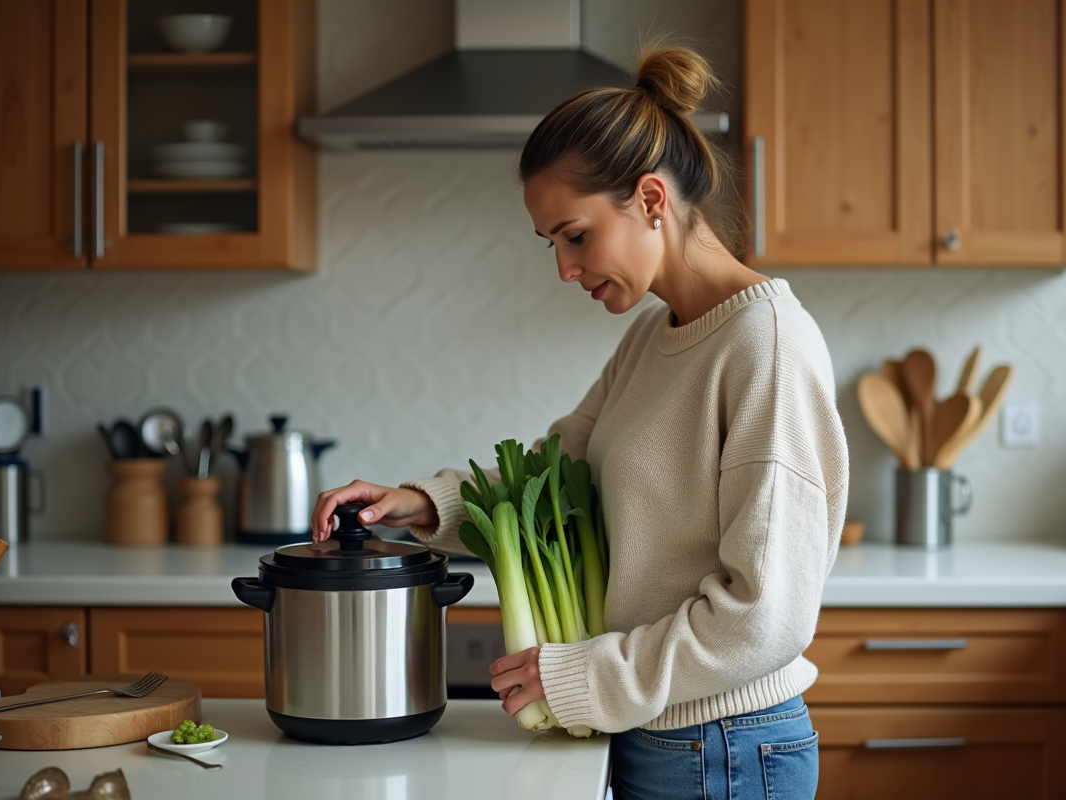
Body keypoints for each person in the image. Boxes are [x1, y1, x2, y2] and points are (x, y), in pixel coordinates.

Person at [311, 44, 848, 800]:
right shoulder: (654, 338)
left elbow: (765, 619)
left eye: (575, 235)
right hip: (659, 735)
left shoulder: (768, 346)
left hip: (723, 748)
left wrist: (590, 675)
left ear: (651, 201)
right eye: (552, 244)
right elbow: (558, 473)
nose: (564, 269)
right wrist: (426, 504)